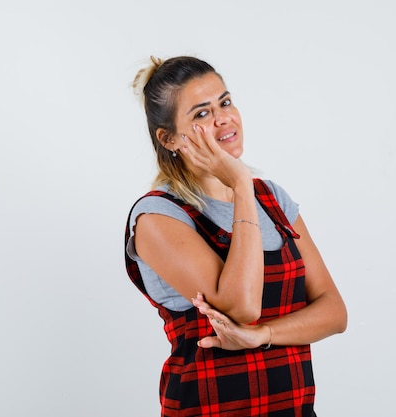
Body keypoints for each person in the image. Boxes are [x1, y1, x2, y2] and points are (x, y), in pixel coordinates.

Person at [124, 55, 347, 417]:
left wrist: (263, 336)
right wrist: (242, 184)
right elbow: (242, 308)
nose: (223, 118)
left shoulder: (272, 199)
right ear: (168, 138)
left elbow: (334, 312)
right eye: (201, 114)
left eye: (225, 102)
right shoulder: (158, 216)